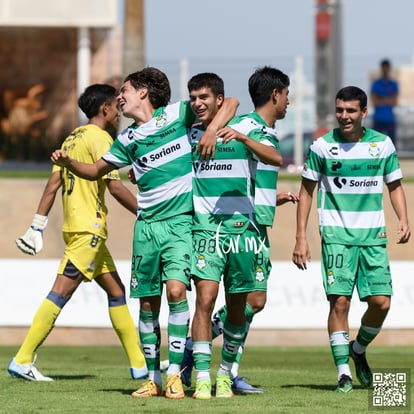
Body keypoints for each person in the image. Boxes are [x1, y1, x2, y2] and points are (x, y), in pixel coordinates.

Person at [50, 67, 238, 399]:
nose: (118, 97)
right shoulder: (127, 139)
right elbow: (95, 171)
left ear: (143, 93)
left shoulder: (177, 115)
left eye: (124, 90)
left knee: (178, 292)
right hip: (146, 227)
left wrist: (211, 131)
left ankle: (175, 374)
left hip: (180, 224)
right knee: (148, 306)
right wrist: (68, 163)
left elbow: (232, 102)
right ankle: (152, 378)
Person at [8, 83, 148, 382]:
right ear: (104, 109)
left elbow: (53, 185)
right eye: (116, 105)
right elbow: (115, 186)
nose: (119, 110)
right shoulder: (100, 138)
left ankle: (139, 366)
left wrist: (37, 225)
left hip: (78, 229)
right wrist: (146, 212)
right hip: (89, 230)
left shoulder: (71, 138)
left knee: (116, 292)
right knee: (60, 293)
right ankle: (22, 359)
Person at [181, 67, 298, 395]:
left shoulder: (254, 131)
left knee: (252, 302)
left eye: (203, 97)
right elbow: (228, 104)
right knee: (207, 298)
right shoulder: (238, 126)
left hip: (251, 227)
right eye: (287, 95)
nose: (289, 101)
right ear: (276, 94)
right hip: (215, 229)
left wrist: (273, 200)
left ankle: (224, 368)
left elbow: (253, 175)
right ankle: (208, 371)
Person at [292, 86, 410, 393]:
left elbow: (395, 185)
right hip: (336, 237)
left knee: (381, 303)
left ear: (363, 113)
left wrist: (404, 219)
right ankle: (343, 372)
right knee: (340, 302)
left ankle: (358, 349)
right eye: (340, 110)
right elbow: (306, 192)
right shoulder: (321, 146)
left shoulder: (382, 145)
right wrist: (301, 237)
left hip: (373, 237)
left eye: (350, 111)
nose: (344, 116)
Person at [370, 59, 399, 146]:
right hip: (378, 119)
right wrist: (388, 99)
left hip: (390, 119)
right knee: (376, 144)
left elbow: (394, 102)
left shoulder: (393, 84)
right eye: (384, 68)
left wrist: (381, 98)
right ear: (381, 68)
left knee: (392, 145)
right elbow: (374, 101)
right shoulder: (376, 84)